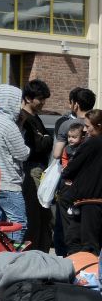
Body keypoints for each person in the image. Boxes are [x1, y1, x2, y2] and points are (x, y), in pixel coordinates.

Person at [52, 87, 96, 255]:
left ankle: (66, 256)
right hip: (91, 183)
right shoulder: (96, 126)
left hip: (69, 183)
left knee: (65, 222)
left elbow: (57, 153)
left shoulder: (67, 125)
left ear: (75, 104)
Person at [0, 85, 30, 242]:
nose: (21, 105)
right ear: (12, 102)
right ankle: (11, 258)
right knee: (19, 224)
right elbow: (22, 153)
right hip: (9, 183)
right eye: (19, 101)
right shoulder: (8, 125)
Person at [17, 80, 53, 250]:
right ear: (29, 98)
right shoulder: (23, 119)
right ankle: (35, 251)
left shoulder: (35, 117)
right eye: (40, 99)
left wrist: (45, 139)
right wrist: (46, 139)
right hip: (31, 171)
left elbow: (45, 140)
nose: (43, 102)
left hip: (39, 169)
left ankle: (41, 250)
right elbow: (38, 145)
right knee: (35, 214)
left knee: (43, 215)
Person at [62, 109, 102, 253]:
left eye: (88, 126)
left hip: (89, 201)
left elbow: (71, 168)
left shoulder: (91, 144)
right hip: (92, 201)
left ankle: (84, 274)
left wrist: (66, 174)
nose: (85, 130)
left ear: (98, 125)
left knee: (83, 243)